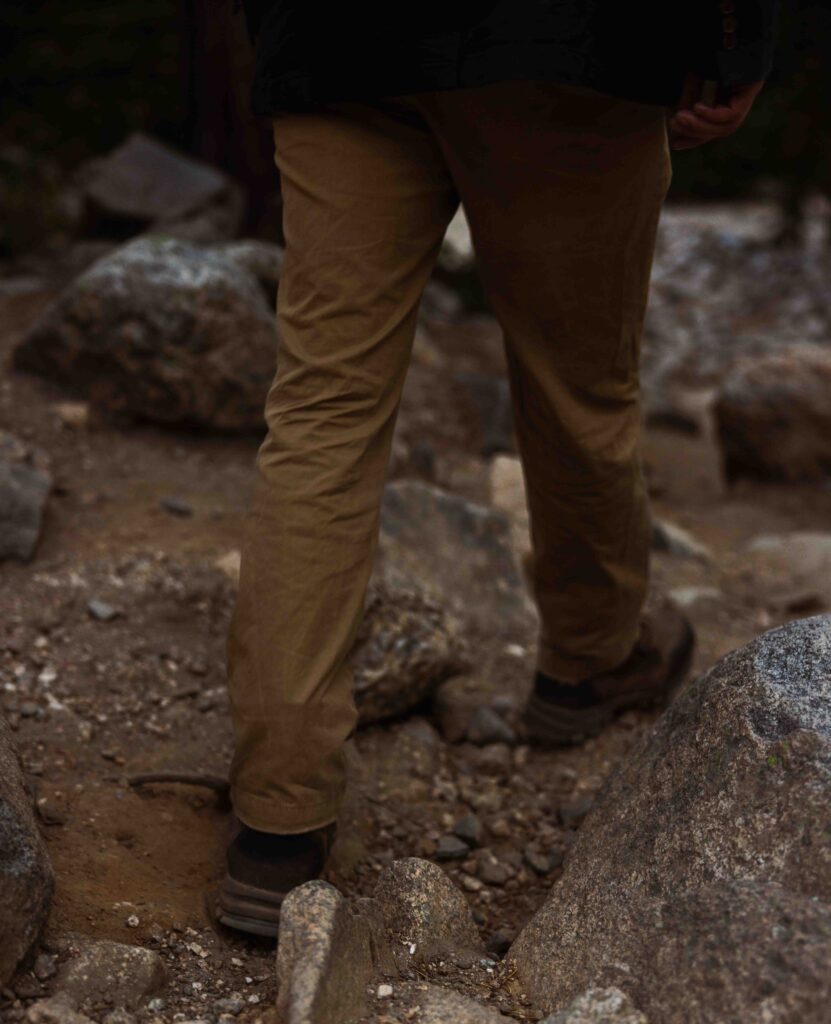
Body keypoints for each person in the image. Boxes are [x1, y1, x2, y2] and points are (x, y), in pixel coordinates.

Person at [214, 1, 780, 936]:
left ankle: (276, 823)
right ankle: (587, 663)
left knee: (323, 413)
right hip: (567, 38)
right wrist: (732, 35)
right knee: (579, 386)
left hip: (335, 38)